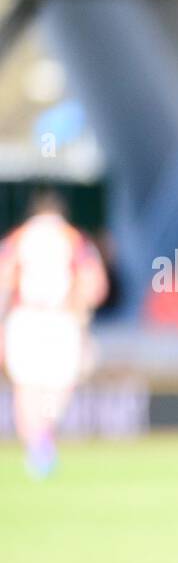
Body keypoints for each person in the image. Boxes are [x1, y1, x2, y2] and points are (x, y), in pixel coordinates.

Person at [0, 190, 108, 477]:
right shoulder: (73, 238)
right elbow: (95, 285)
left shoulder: (18, 237)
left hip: (24, 317)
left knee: (28, 386)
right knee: (59, 385)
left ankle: (36, 447)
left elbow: (4, 279)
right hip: (60, 318)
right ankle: (43, 441)